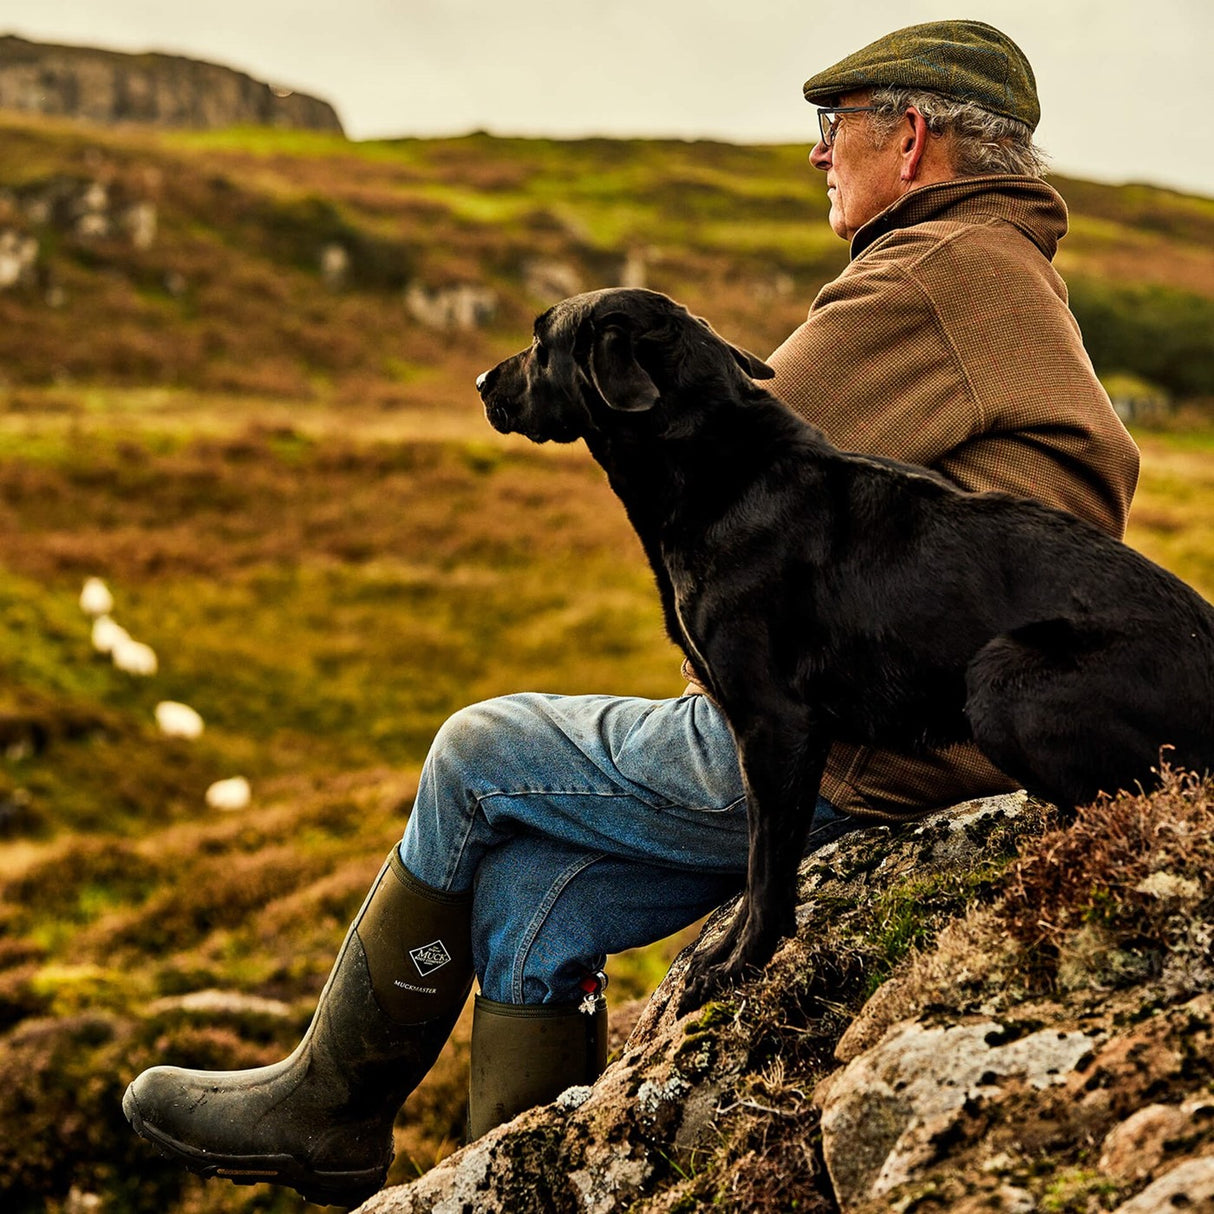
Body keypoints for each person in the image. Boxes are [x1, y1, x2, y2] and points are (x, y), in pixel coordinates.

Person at [122, 19, 1140, 1208]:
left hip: (874, 743)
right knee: (527, 899)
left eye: (834, 125)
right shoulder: (1002, 270)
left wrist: (600, 377)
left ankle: (325, 1105)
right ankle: (500, 1181)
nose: (817, 153)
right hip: (951, 717)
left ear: (908, 136)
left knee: (474, 752)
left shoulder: (929, 272)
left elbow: (723, 454)